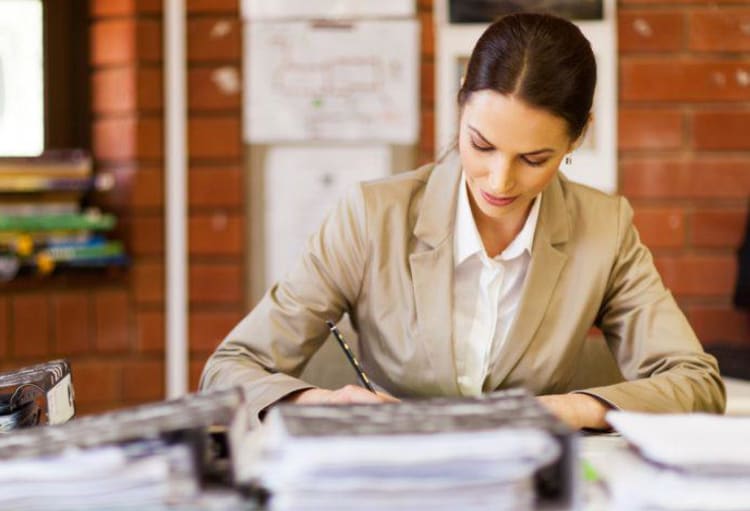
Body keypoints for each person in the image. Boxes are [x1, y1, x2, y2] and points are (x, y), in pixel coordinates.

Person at [201, 12, 725, 429]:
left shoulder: (604, 229)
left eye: (534, 159)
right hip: (388, 489)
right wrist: (318, 403)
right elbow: (227, 373)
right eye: (481, 144)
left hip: (530, 495)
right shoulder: (372, 217)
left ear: (578, 137)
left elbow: (696, 383)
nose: (499, 181)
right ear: (460, 102)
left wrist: (568, 409)